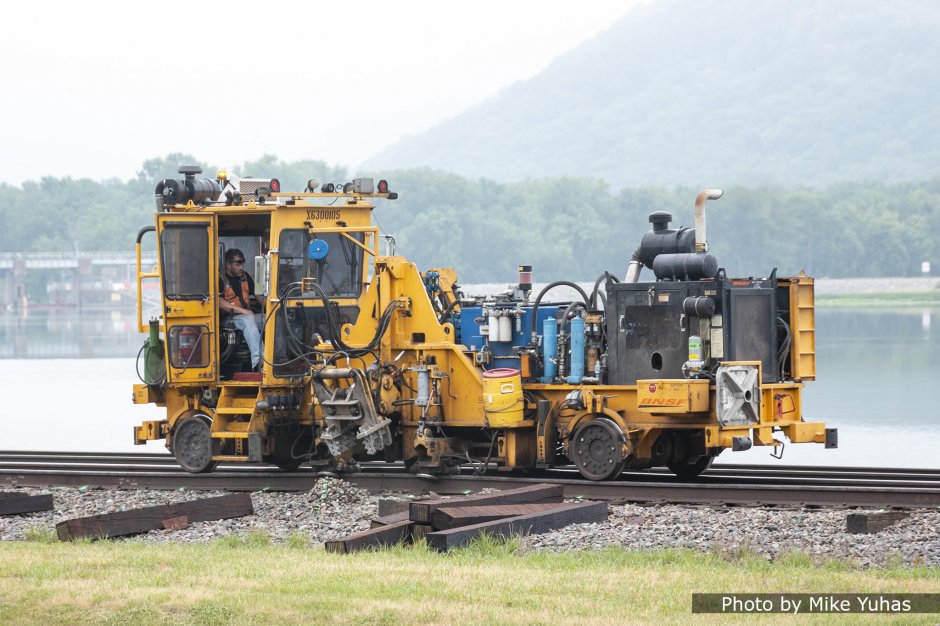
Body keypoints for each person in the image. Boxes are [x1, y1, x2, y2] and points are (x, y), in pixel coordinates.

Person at [220, 248, 263, 370]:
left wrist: (272, 307)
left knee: (274, 318)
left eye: (242, 263)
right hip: (227, 318)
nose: (241, 267)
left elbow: (258, 295)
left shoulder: (245, 277)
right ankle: (259, 362)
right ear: (228, 265)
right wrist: (244, 311)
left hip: (246, 316)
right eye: (238, 263)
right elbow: (220, 303)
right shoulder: (219, 279)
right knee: (248, 319)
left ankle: (279, 357)